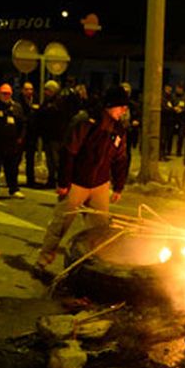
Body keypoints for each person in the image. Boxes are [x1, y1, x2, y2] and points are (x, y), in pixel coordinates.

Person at [36, 85, 130, 270]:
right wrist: (64, 182)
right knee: (60, 224)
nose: (124, 111)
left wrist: (118, 186)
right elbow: (69, 152)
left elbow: (120, 159)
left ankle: (96, 264)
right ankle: (43, 259)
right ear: (110, 105)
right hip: (76, 183)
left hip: (100, 185)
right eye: (121, 106)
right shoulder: (86, 121)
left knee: (100, 228)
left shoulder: (118, 130)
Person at [15, 82, 39, 188]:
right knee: (17, 157)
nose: (29, 91)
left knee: (30, 158)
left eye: (31, 89)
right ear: (22, 90)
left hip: (32, 134)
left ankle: (31, 180)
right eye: (27, 89)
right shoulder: (18, 101)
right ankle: (13, 179)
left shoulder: (36, 99)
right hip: (21, 133)